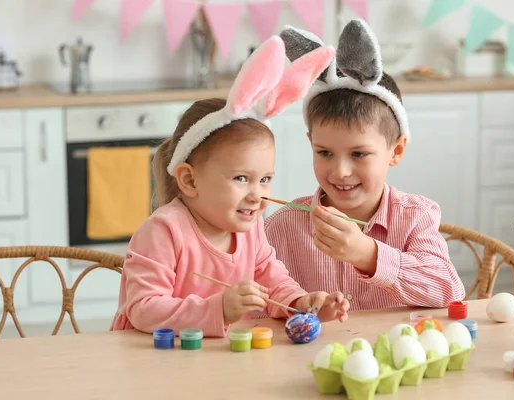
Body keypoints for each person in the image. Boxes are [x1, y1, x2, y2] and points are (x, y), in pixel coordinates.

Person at [110, 36, 349, 337]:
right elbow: (143, 309)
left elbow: (272, 281)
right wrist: (218, 309)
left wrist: (302, 303)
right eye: (241, 179)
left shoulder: (251, 227)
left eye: (265, 179)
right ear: (190, 180)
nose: (257, 194)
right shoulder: (163, 231)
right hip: (150, 359)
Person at [264, 20, 465, 311]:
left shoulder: (414, 217)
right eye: (324, 152)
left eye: (359, 154)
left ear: (395, 151)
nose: (340, 171)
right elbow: (256, 312)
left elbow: (448, 291)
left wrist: (368, 255)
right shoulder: (281, 227)